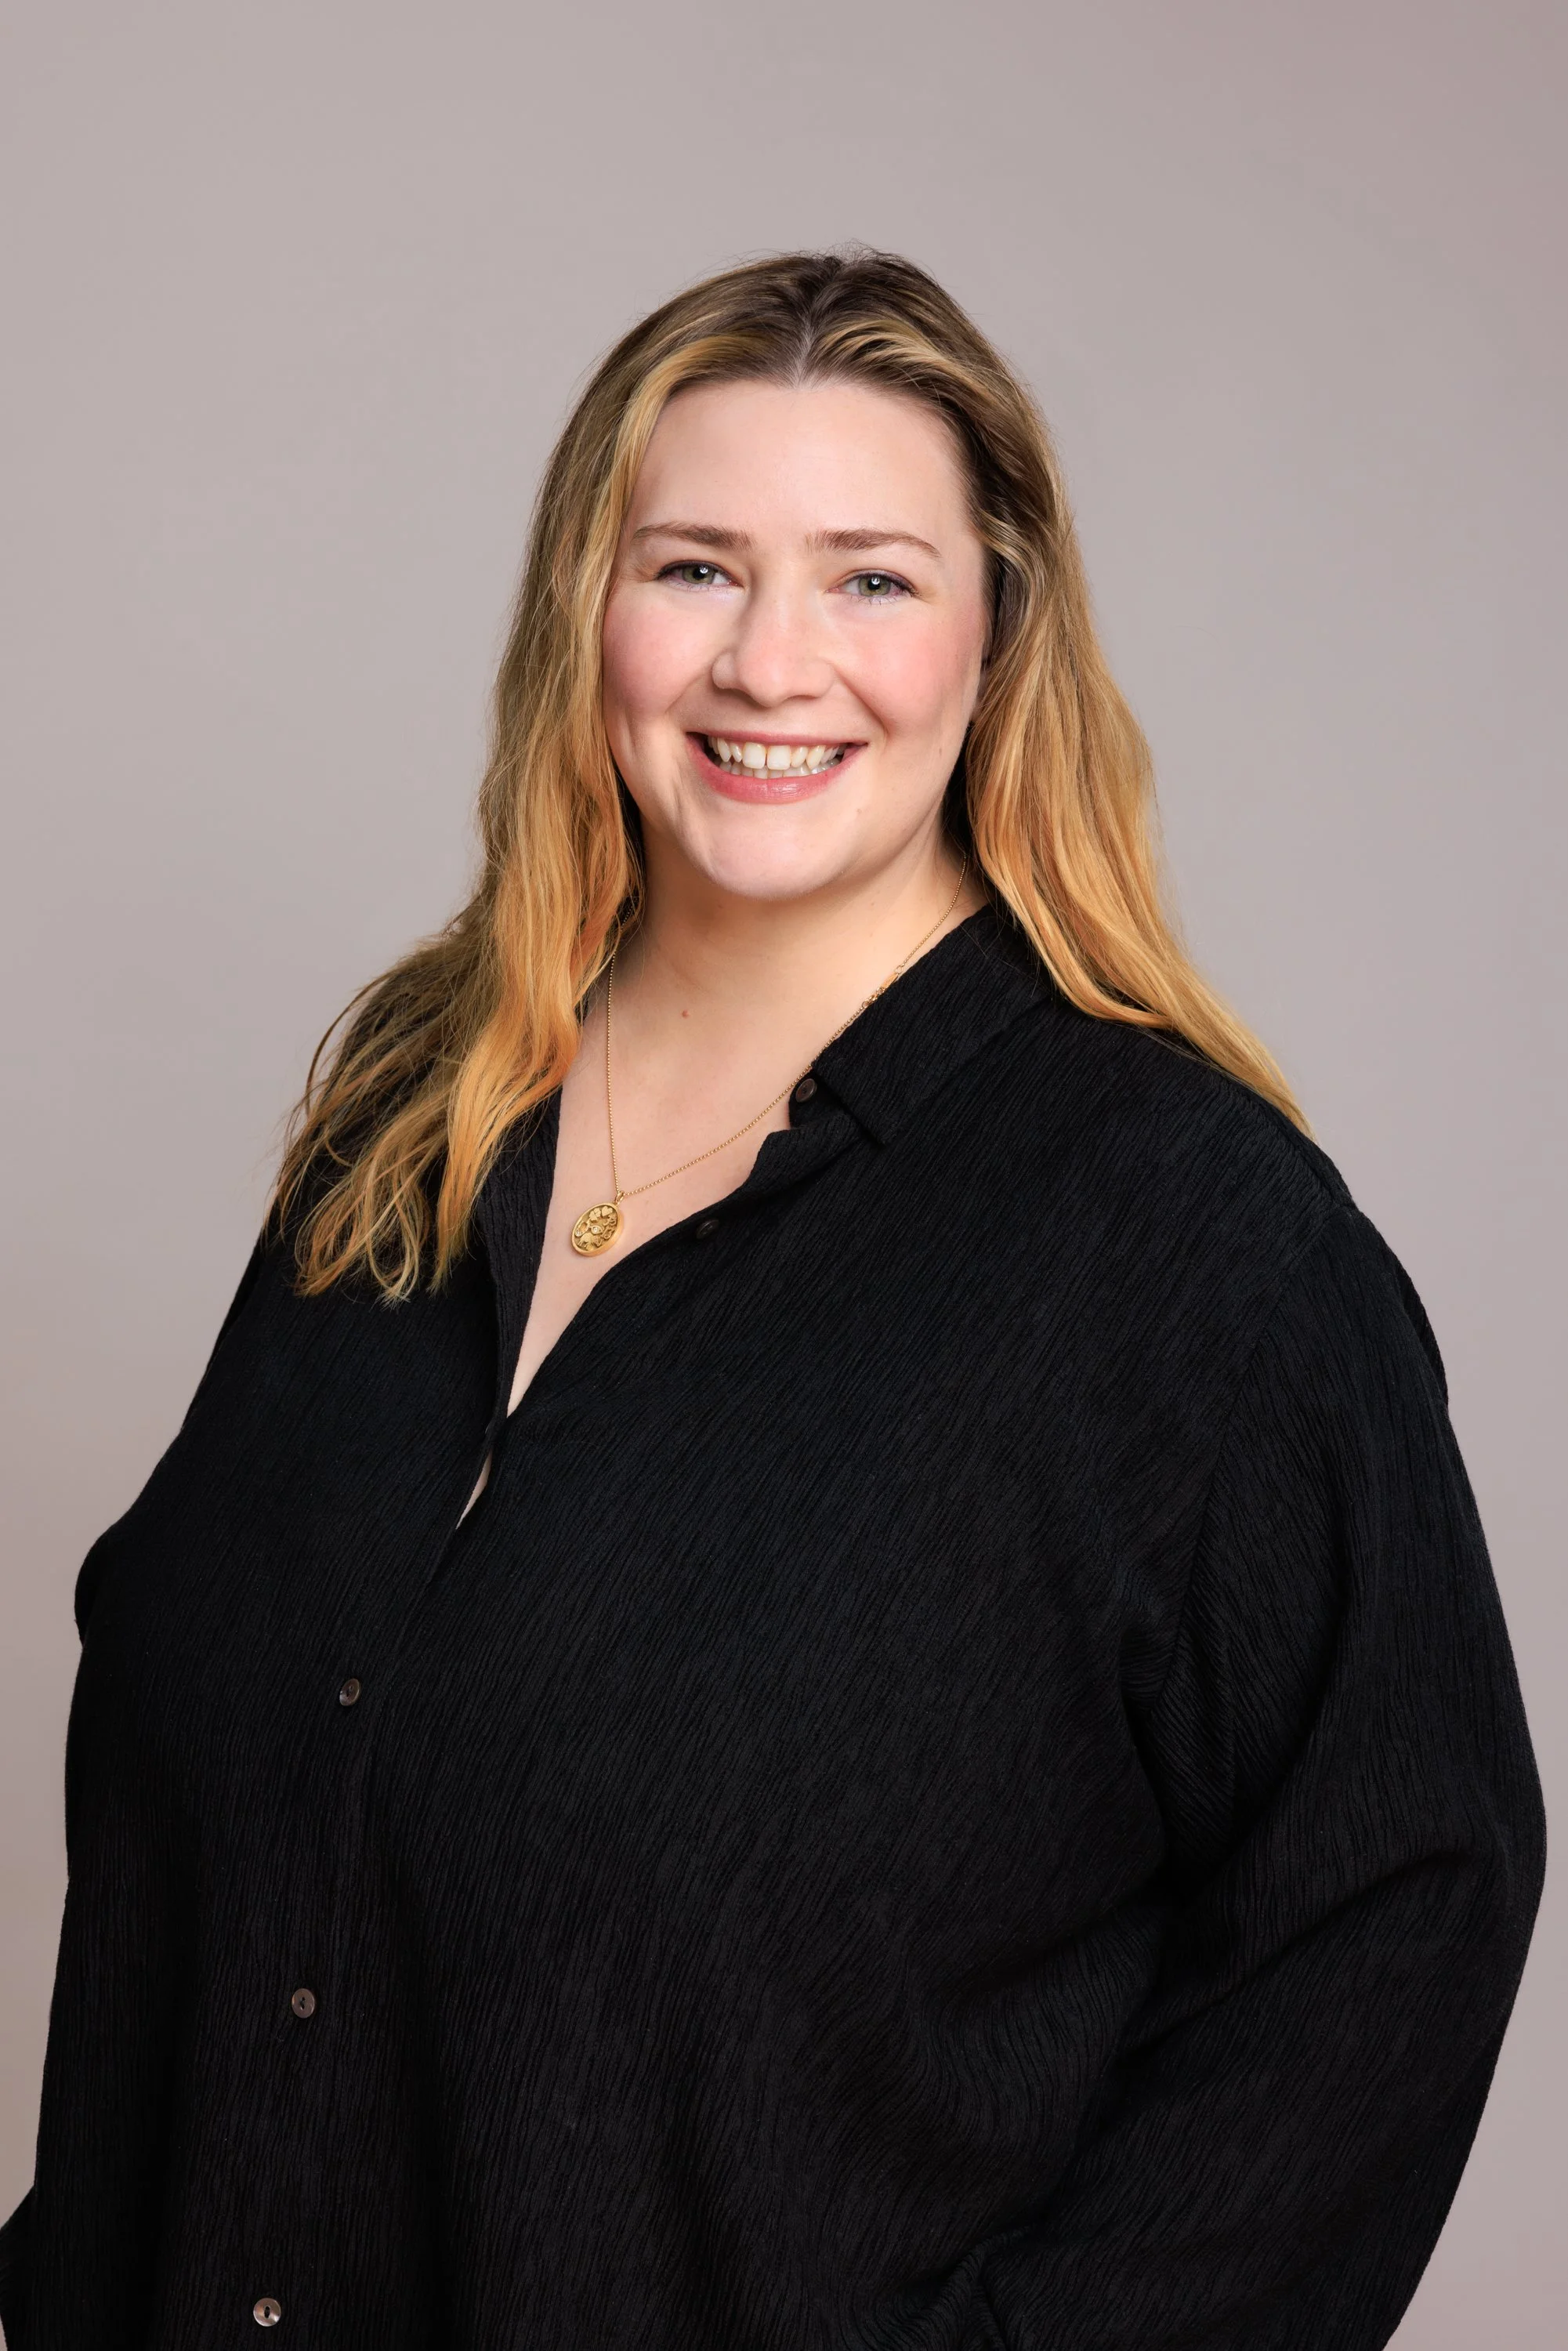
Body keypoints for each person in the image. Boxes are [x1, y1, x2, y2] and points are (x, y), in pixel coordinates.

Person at [0, 248, 1544, 2351]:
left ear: (1001, 637)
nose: (771, 661)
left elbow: (1397, 1907)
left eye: (874, 579)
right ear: (588, 616)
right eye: (698, 567)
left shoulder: (1193, 1247)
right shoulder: (411, 1112)